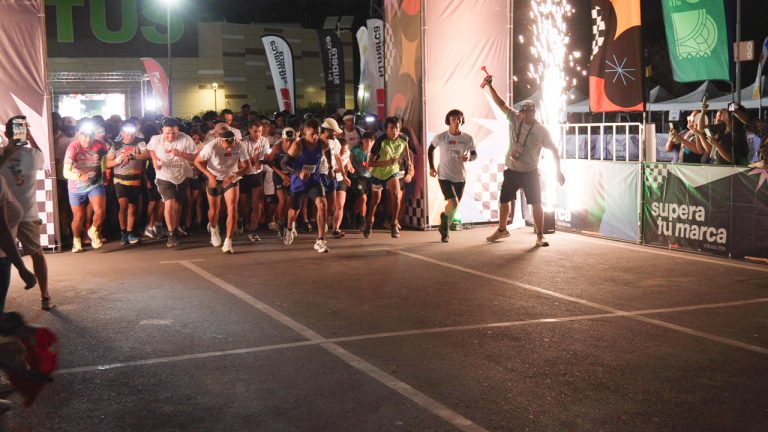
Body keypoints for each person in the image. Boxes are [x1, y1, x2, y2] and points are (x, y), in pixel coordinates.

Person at [483, 75, 565, 247]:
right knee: (504, 200)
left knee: (536, 203)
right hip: (512, 169)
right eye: (522, 112)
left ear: (534, 113)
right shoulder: (515, 118)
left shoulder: (541, 130)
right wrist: (490, 86)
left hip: (530, 172)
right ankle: (502, 229)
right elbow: (501, 104)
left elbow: (554, 151)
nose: (523, 116)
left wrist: (558, 171)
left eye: (527, 113)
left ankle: (540, 235)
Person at [0, 117, 49, 310]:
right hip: (6, 213)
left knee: (36, 253)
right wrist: (8, 151)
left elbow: (41, 155)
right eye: (17, 130)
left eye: (22, 130)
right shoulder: (3, 154)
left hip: (27, 213)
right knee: (4, 256)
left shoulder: (33, 154)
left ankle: (45, 295)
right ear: (7, 134)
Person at [195, 131, 250, 254]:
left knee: (232, 208)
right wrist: (209, 176)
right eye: (227, 145)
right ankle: (214, 228)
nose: (230, 147)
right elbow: (197, 161)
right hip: (214, 178)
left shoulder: (240, 145)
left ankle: (228, 241)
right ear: (221, 140)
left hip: (231, 178)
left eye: (232, 144)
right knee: (214, 211)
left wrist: (234, 175)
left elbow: (247, 166)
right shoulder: (211, 146)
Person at [280, 119, 331, 253]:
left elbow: (328, 151)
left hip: (314, 181)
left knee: (322, 204)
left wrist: (330, 167)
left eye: (317, 134)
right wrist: (298, 172)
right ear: (304, 132)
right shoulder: (298, 145)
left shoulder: (323, 144)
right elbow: (284, 164)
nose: (315, 137)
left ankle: (320, 240)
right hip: (298, 182)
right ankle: (289, 228)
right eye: (312, 134)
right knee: (294, 212)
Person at [147, 117, 197, 248]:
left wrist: (180, 154)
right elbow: (150, 149)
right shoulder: (156, 139)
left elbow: (195, 157)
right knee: (169, 202)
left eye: (173, 133)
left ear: (178, 130)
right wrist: (154, 160)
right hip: (164, 176)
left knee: (178, 205)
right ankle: (171, 234)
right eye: (167, 133)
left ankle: (175, 228)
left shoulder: (186, 139)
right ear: (162, 130)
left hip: (181, 175)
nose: (170, 136)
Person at [428, 109, 477, 242]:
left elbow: (474, 154)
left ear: (462, 120)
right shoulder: (441, 137)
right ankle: (446, 234)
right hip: (444, 176)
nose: (456, 121)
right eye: (453, 119)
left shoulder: (467, 138)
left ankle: (444, 221)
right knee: (453, 204)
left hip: (460, 177)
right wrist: (432, 167)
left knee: (454, 209)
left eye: (459, 119)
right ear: (448, 120)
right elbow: (430, 149)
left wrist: (469, 158)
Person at [363, 116, 413, 239]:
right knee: (375, 200)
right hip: (378, 174)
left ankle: (394, 223)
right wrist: (386, 162)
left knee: (396, 195)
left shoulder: (404, 138)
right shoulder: (380, 142)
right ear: (386, 129)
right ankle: (369, 223)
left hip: (393, 172)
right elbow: (370, 163)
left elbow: (405, 148)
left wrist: (409, 161)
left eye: (396, 128)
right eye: (391, 128)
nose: (394, 131)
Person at [62, 121, 109, 252]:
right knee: (79, 217)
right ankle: (76, 239)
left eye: (90, 136)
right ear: (79, 135)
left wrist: (104, 172)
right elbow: (65, 173)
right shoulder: (73, 148)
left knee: (100, 210)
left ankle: (93, 231)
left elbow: (104, 158)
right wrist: (79, 176)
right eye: (84, 136)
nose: (87, 139)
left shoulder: (100, 145)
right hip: (76, 187)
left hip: (95, 183)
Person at [106, 123, 149, 245]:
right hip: (119, 179)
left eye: (132, 133)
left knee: (132, 207)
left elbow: (147, 156)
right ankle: (123, 232)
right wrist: (118, 160)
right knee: (123, 204)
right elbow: (108, 163)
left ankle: (130, 233)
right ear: (122, 133)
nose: (129, 136)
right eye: (127, 133)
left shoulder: (140, 142)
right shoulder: (115, 144)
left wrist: (133, 156)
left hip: (135, 179)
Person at [239, 121, 270, 242]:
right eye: (255, 131)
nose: (258, 134)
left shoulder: (264, 141)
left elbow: (266, 157)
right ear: (249, 130)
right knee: (245, 205)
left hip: (257, 174)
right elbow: (241, 164)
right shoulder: (242, 142)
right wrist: (253, 160)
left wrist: (259, 161)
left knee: (257, 203)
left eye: (260, 131)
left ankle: (253, 229)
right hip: (244, 175)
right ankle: (244, 220)